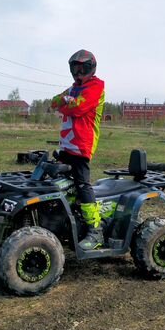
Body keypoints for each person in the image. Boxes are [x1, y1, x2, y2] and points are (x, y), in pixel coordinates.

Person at [51, 49, 105, 250]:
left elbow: (78, 108)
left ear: (91, 68)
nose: (79, 71)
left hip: (82, 146)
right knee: (58, 185)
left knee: (83, 186)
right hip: (66, 146)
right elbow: (53, 102)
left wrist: (66, 104)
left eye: (83, 67)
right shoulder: (73, 89)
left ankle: (95, 230)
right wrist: (66, 101)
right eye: (76, 67)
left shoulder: (97, 86)